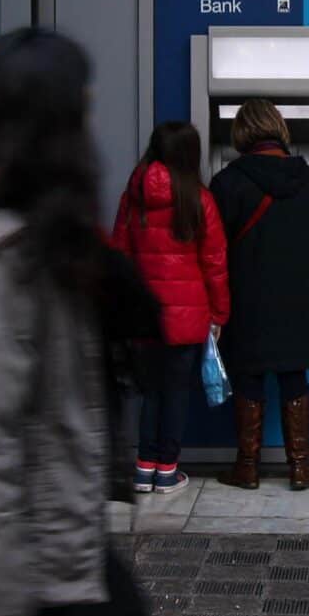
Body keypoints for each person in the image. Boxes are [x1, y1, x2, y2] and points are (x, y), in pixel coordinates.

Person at [0, 28, 153, 616]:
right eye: (82, 108)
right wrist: (2, 614)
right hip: (20, 581)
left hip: (54, 558)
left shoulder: (42, 248)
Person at [210, 99, 309, 492]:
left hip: (247, 293)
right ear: (279, 129)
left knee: (248, 374)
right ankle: (300, 469)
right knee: (293, 374)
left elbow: (214, 243)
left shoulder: (227, 182)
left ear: (242, 133)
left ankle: (247, 468)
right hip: (298, 294)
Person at [111, 122, 230, 494]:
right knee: (176, 392)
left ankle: (143, 468)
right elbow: (214, 263)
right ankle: (167, 471)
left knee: (151, 392)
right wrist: (219, 314)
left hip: (145, 314)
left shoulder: (133, 198)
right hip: (186, 316)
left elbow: (119, 255)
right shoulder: (199, 199)